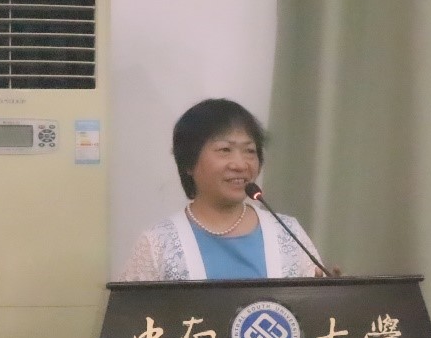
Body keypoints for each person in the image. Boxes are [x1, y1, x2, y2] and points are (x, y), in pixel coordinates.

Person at [119, 98, 327, 281]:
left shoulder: (288, 232)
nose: (240, 164)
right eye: (225, 150)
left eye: (250, 151)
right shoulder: (157, 243)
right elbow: (130, 312)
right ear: (189, 163)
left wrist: (332, 295)